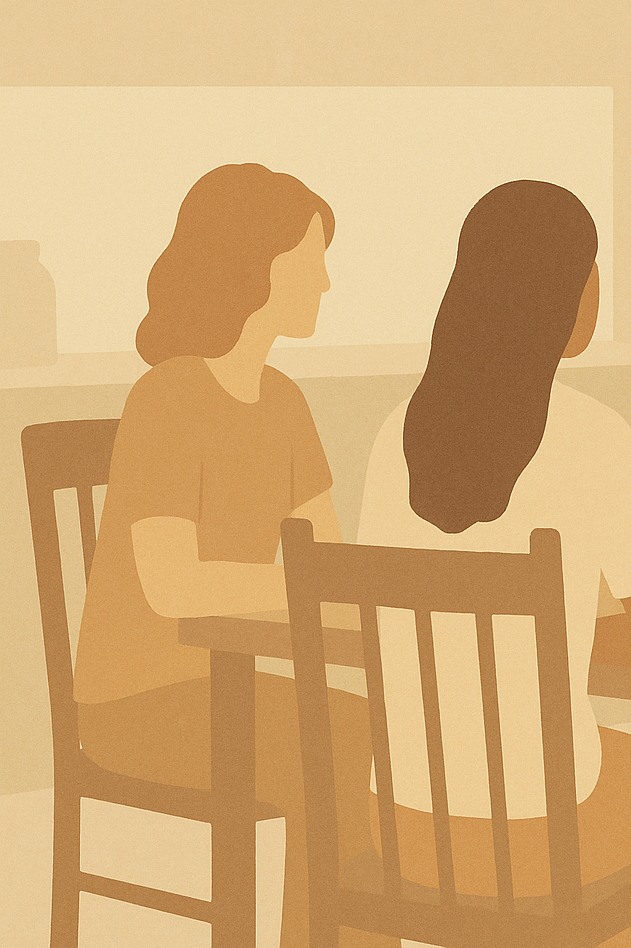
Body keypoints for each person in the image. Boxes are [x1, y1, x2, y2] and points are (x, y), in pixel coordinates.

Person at [355, 179, 631, 947]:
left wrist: (517, 652)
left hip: (402, 825)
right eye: (591, 269)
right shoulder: (594, 436)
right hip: (532, 837)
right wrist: (551, 646)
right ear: (567, 292)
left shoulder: (394, 435)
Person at [74, 163, 391, 947]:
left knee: (368, 729)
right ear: (259, 263)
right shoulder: (169, 397)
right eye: (312, 256)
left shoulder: (285, 400)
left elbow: (329, 560)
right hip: (136, 704)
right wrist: (306, 583)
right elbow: (173, 584)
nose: (325, 279)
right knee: (332, 745)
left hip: (228, 684)